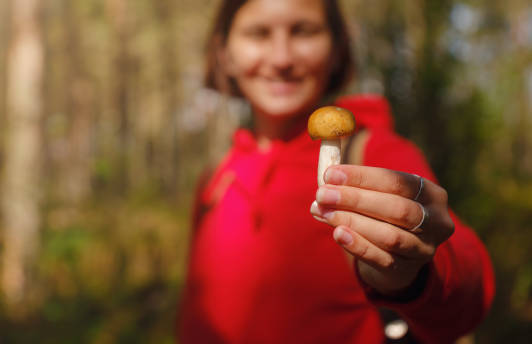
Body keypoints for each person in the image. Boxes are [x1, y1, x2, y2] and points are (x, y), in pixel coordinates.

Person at [178, 0, 495, 343]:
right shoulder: (215, 176)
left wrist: (416, 273)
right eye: (258, 33)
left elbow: (467, 288)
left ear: (336, 48)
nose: (282, 58)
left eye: (304, 31)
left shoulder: (376, 152)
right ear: (224, 53)